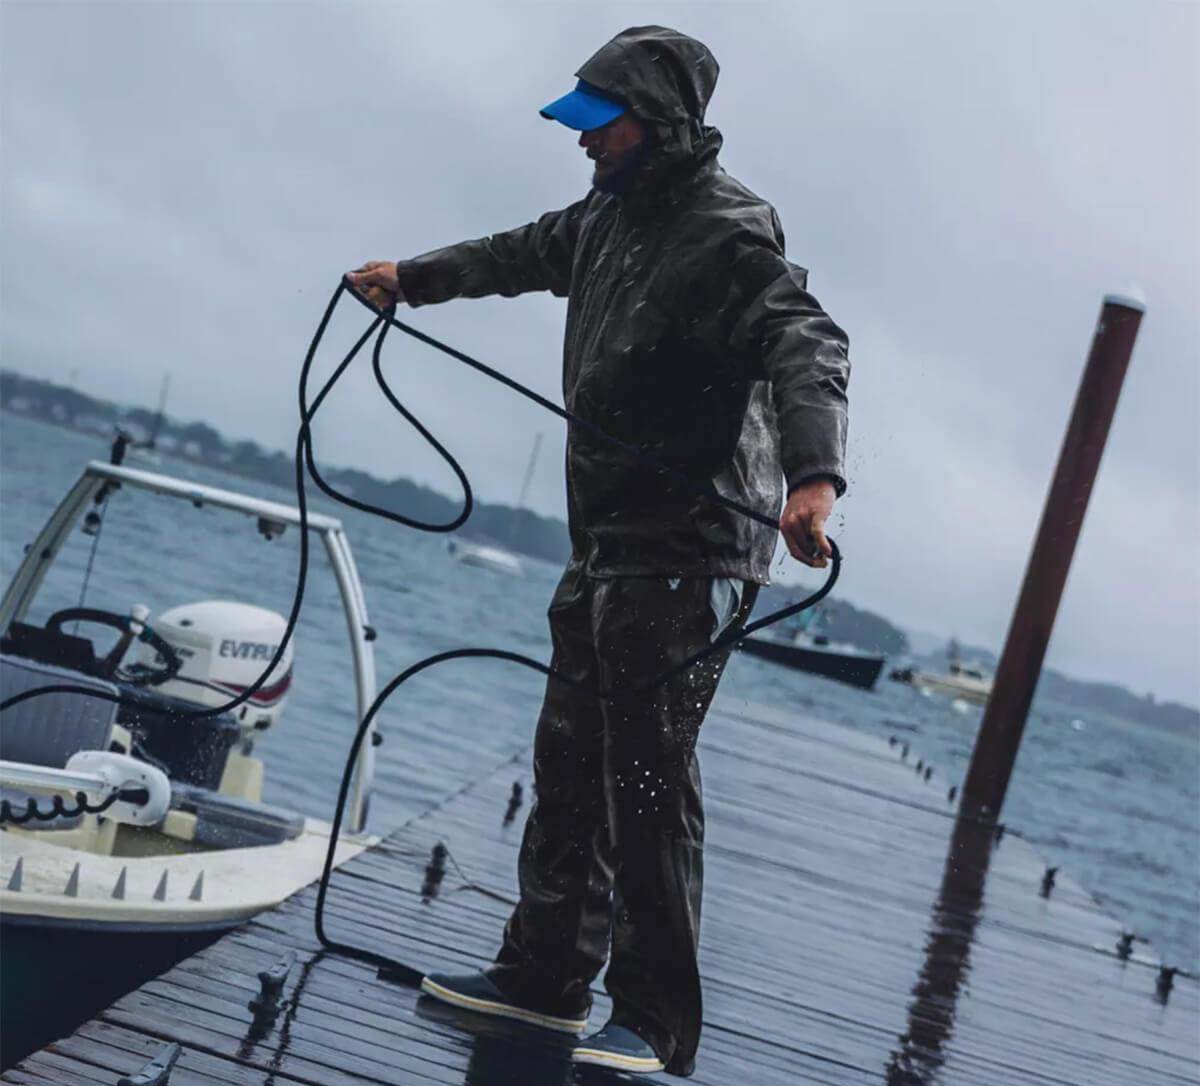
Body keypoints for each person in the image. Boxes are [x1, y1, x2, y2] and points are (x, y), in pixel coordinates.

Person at [347, 24, 850, 1077]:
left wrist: (814, 479)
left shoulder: (729, 231)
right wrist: (415, 277)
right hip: (609, 544)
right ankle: (543, 981)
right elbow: (522, 251)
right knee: (569, 759)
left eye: (599, 124)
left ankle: (657, 1025)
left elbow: (810, 340)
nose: (582, 143)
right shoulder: (604, 216)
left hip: (697, 549)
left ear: (659, 122)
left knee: (651, 779)